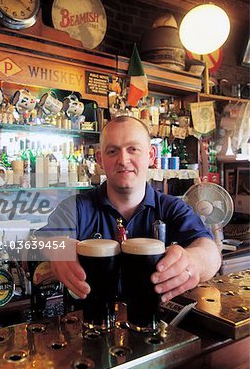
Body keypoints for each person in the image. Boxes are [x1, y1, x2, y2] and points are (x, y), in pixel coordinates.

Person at [39, 116, 221, 303]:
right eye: (112, 151)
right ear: (100, 159)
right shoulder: (76, 208)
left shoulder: (172, 208)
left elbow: (211, 252)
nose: (123, 160)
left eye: (133, 149)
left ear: (151, 155)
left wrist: (194, 262)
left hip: (156, 324)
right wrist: (57, 248)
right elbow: (36, 243)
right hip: (91, 325)